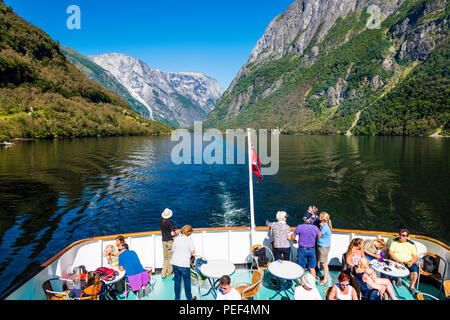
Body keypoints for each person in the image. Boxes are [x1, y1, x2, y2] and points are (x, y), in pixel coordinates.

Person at [388, 229, 419, 296]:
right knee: (399, 266)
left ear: (407, 237)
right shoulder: (394, 242)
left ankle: (412, 286)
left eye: (403, 235)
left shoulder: (411, 244)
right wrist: (398, 261)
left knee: (415, 270)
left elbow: (415, 256)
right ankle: (399, 279)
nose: (401, 236)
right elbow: (390, 253)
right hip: (397, 261)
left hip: (408, 262)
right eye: (400, 234)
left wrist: (411, 262)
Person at [170, 225, 195, 300]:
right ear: (189, 232)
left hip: (175, 263)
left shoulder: (177, 238)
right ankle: (189, 298)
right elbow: (193, 252)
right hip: (184, 264)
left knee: (177, 281)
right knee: (187, 283)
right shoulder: (189, 239)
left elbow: (173, 250)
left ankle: (177, 298)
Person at [293, 212, 320, 278]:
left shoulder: (299, 227)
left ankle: (302, 283)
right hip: (312, 250)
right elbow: (318, 237)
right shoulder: (315, 228)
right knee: (312, 268)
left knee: (301, 268)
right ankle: (312, 285)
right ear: (310, 220)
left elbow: (293, 236)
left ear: (303, 219)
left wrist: (294, 240)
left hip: (302, 249)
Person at [160, 208, 179, 279]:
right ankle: (169, 273)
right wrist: (176, 232)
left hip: (164, 241)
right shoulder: (170, 222)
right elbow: (172, 234)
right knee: (170, 258)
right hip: (170, 242)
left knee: (165, 258)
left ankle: (163, 273)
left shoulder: (161, 221)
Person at [316, 212, 332, 286]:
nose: (318, 216)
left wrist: (319, 228)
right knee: (322, 263)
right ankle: (324, 277)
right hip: (322, 245)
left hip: (323, 247)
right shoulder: (325, 225)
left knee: (324, 263)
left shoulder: (324, 227)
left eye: (320, 216)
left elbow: (318, 236)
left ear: (322, 218)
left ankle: (325, 280)